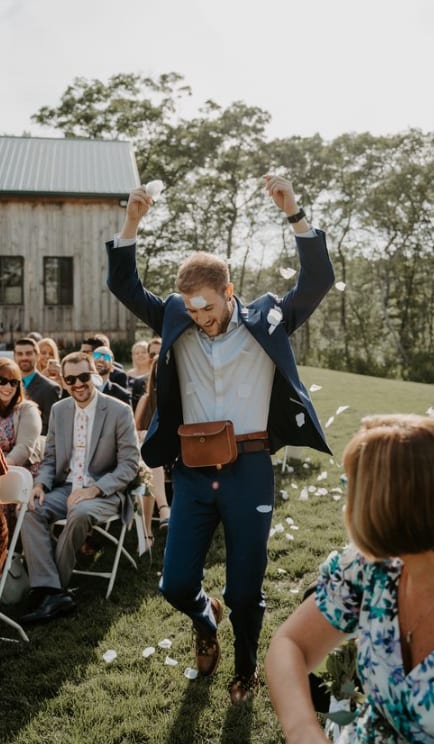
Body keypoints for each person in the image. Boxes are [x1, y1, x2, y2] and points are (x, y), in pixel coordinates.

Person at [106, 174, 334, 704]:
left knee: (245, 588)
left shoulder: (268, 319)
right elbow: (124, 285)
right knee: (176, 584)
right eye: (192, 309)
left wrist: (294, 211)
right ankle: (205, 618)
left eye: (208, 306)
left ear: (229, 292)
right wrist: (133, 221)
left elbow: (317, 279)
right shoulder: (175, 316)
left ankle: (246, 667)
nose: (201, 318)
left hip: (249, 469)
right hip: (190, 470)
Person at [265, 414, 434, 743]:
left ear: (385, 505)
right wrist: (303, 731)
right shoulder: (371, 567)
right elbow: (290, 645)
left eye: (349, 486)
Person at [20, 352, 140, 624]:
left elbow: (130, 465)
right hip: (65, 489)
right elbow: (49, 458)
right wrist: (40, 483)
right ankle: (52, 590)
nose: (78, 384)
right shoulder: (60, 410)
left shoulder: (119, 410)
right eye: (70, 378)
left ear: (94, 376)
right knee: (29, 510)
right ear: (63, 380)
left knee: (80, 513)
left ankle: (50, 591)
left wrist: (95, 489)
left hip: (105, 493)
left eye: (84, 377)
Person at [0, 357, 42, 533]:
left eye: (14, 382)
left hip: (17, 472)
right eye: (2, 381)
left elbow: (24, 449)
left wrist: (2, 468)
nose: (8, 387)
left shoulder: (27, 410)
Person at [134, 356, 170, 541]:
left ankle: (162, 510)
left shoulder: (180, 400)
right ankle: (162, 511)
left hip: (173, 455)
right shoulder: (146, 400)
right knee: (149, 459)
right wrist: (142, 433)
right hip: (151, 455)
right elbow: (135, 430)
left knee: (151, 458)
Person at [14, 338, 61, 435]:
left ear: (37, 356)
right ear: (14, 356)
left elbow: (49, 428)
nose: (24, 357)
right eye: (20, 354)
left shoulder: (50, 388)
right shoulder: (7, 384)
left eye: (28, 353)